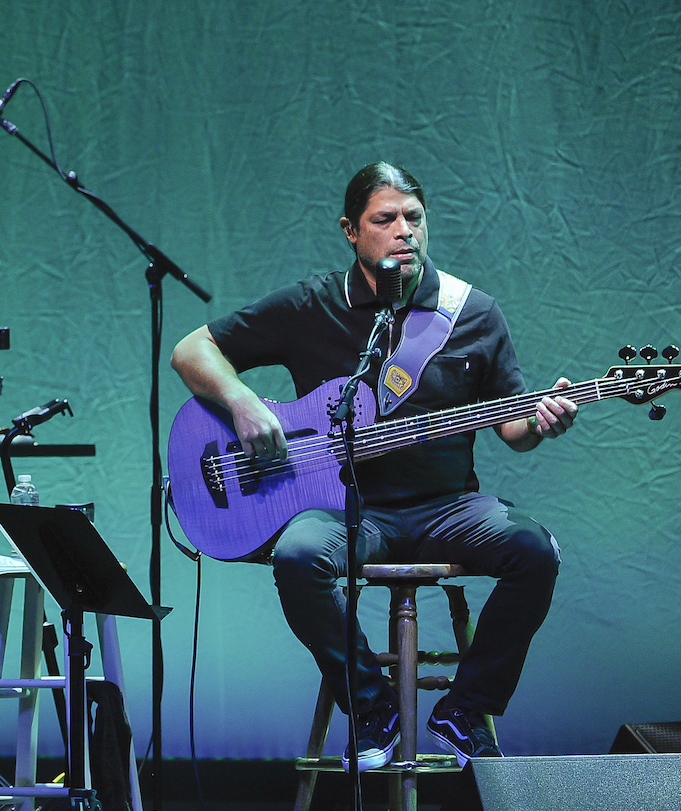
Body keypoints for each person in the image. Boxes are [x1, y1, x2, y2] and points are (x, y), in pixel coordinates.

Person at [170, 162, 577, 768]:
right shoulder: (312, 304)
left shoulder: (474, 313)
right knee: (298, 556)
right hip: (348, 511)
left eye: (414, 218)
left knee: (536, 552)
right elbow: (190, 350)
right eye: (385, 219)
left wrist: (543, 421)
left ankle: (464, 713)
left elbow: (511, 429)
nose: (404, 231)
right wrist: (242, 403)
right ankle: (373, 710)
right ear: (351, 231)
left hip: (449, 508)